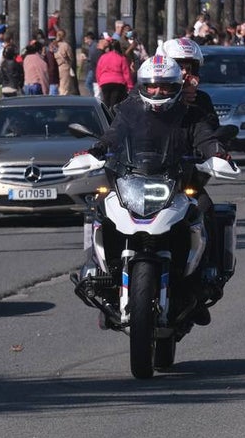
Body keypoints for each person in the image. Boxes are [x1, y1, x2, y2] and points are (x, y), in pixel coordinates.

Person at [87, 52, 226, 324]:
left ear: (175, 86)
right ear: (142, 86)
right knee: (98, 207)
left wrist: (218, 153)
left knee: (206, 209)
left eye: (164, 86)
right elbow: (113, 135)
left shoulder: (191, 111)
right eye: (151, 85)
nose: (157, 91)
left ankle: (204, 279)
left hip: (178, 181)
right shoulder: (129, 110)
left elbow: (206, 137)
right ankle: (100, 277)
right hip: (134, 178)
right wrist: (96, 150)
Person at [95, 38, 133, 112]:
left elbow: (98, 72)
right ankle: (113, 118)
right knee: (115, 103)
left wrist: (99, 83)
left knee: (106, 102)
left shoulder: (103, 57)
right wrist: (130, 86)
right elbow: (126, 73)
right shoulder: (122, 58)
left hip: (105, 82)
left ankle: (105, 117)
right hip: (118, 83)